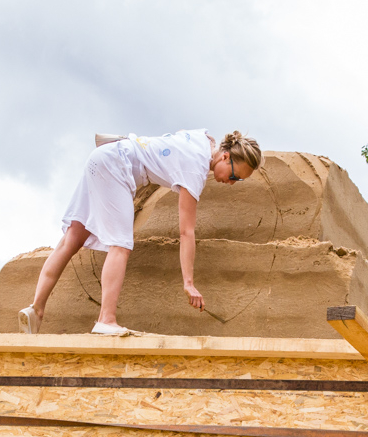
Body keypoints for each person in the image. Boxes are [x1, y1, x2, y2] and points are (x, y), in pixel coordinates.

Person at [19, 130, 263, 336]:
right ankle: (106, 320)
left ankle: (36, 309)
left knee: (73, 238)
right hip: (116, 167)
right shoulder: (195, 169)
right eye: (234, 175)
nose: (232, 182)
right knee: (121, 245)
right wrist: (189, 283)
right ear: (225, 156)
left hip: (104, 156)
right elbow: (186, 232)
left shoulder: (203, 139)